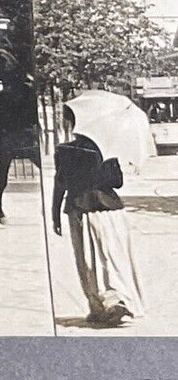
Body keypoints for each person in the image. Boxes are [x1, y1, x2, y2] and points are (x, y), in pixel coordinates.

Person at [52, 106, 145, 327]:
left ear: (71, 123)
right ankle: (117, 298)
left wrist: (55, 215)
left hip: (79, 208)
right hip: (110, 209)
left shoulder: (63, 150)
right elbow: (117, 183)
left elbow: (60, 183)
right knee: (114, 256)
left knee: (86, 260)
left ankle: (98, 307)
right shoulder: (107, 150)